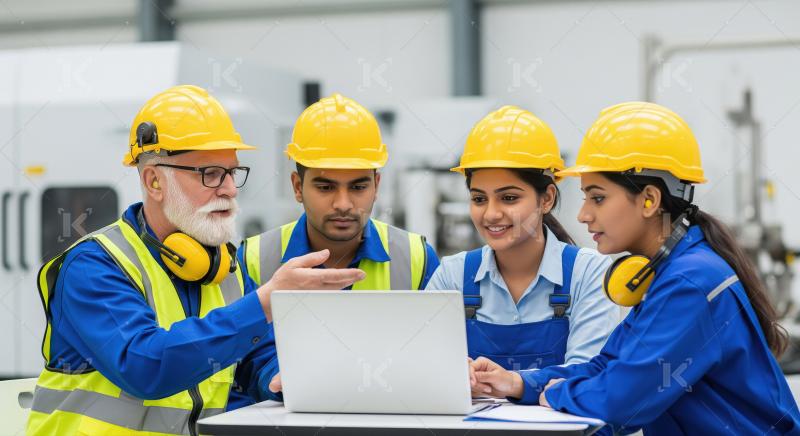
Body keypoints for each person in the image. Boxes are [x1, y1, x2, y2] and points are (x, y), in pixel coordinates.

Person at [26, 85, 365, 436]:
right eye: (211, 174)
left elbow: (256, 359)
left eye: (232, 173)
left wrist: (283, 379)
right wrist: (264, 301)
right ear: (154, 181)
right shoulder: (94, 267)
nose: (230, 190)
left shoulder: (222, 267)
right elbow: (146, 365)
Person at [470, 102, 800, 434]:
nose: (583, 215)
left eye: (597, 198)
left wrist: (553, 392)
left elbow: (620, 402)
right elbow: (606, 366)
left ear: (649, 200)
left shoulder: (690, 283)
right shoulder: (670, 273)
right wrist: (518, 383)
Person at [239, 92, 439, 396]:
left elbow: (438, 363)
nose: (343, 204)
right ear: (297, 187)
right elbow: (239, 369)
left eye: (358, 186)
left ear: (376, 186)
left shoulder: (416, 258)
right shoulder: (254, 258)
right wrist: (282, 382)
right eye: (326, 186)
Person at [427, 106, 617, 387]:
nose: (491, 214)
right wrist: (451, 373)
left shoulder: (588, 273)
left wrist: (513, 382)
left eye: (509, 198)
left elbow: (590, 376)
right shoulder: (452, 275)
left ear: (546, 198)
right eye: (479, 199)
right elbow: (425, 367)